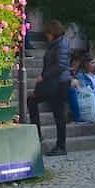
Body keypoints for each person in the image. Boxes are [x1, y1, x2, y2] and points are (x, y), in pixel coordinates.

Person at [27, 20, 71, 156]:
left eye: (48, 33)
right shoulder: (56, 44)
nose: (46, 36)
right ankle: (40, 135)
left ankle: (60, 146)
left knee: (58, 114)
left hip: (59, 84)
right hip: (54, 83)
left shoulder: (61, 44)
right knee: (33, 101)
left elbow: (61, 65)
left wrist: (44, 76)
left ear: (53, 32)